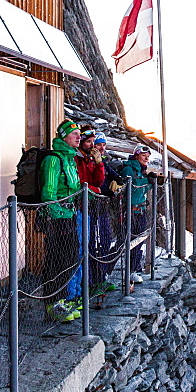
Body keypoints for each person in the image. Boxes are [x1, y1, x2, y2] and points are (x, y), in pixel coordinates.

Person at [39, 119, 83, 322]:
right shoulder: (54, 160)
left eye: (79, 133)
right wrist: (55, 216)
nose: (79, 137)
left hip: (69, 216)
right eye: (74, 134)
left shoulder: (70, 159)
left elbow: (72, 189)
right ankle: (52, 302)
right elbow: (48, 193)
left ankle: (62, 299)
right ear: (64, 136)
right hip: (56, 219)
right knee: (56, 260)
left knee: (70, 259)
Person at [74, 126, 118, 299]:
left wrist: (99, 163)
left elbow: (98, 180)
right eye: (90, 142)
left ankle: (96, 280)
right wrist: (99, 191)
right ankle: (89, 283)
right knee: (87, 245)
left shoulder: (89, 159)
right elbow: (82, 183)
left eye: (94, 142)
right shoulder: (77, 159)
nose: (93, 146)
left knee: (97, 243)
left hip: (93, 203)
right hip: (84, 205)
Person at [118, 144, 156, 282]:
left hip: (140, 210)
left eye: (147, 157)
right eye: (143, 156)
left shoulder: (140, 170)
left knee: (137, 241)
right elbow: (132, 189)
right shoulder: (129, 169)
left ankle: (133, 269)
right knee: (127, 242)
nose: (146, 158)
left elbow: (141, 190)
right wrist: (148, 181)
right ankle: (123, 271)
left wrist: (152, 183)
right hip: (130, 211)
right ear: (136, 155)